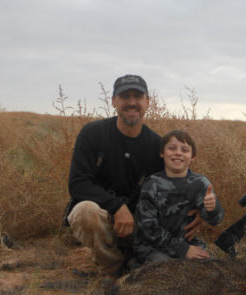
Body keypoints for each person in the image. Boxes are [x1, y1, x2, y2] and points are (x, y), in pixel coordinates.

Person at [64, 75, 204, 277]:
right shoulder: (92, 134)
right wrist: (118, 207)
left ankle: (133, 255)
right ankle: (114, 270)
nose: (132, 102)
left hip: (142, 226)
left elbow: (178, 181)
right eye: (124, 96)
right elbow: (78, 184)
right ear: (113, 101)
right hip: (104, 219)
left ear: (148, 102)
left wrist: (199, 208)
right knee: (84, 211)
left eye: (138, 96)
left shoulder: (156, 145)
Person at [134, 129, 225, 264]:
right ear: (162, 153)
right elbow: (148, 227)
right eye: (172, 148)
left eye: (185, 150)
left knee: (212, 269)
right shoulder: (152, 183)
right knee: (168, 270)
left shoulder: (200, 183)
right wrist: (182, 250)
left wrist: (212, 208)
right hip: (153, 247)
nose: (178, 153)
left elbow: (215, 220)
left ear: (192, 156)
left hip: (189, 244)